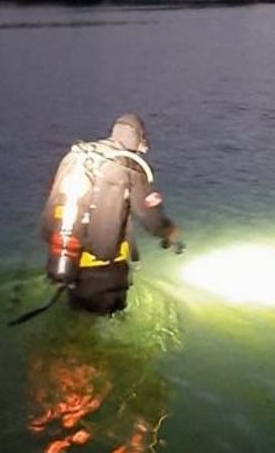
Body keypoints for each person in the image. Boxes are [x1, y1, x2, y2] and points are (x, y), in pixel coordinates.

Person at [41, 114, 182, 314]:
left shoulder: (78, 158)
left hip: (67, 259)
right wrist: (169, 231)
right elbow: (150, 216)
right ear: (138, 139)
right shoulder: (129, 166)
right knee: (107, 327)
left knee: (77, 321)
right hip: (105, 271)